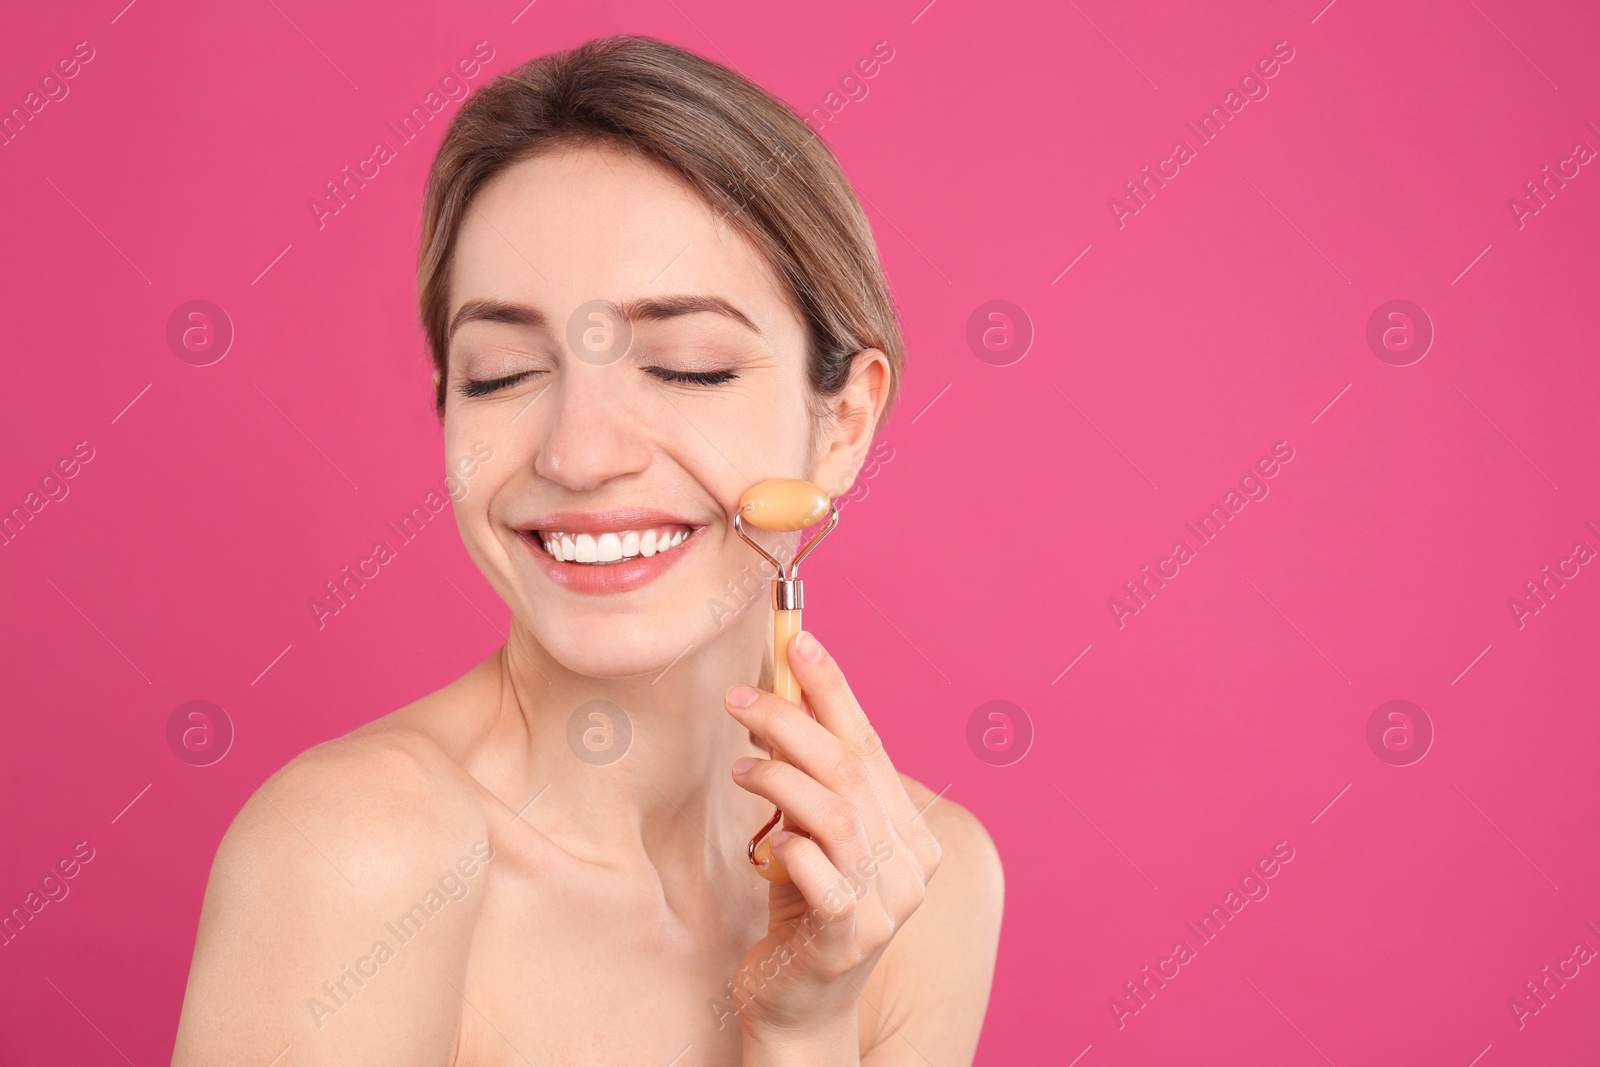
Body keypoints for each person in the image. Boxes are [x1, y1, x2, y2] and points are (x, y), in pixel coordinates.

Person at [172, 34, 1002, 1066]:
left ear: (841, 425)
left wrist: (806, 1029)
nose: (576, 452)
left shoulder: (919, 886)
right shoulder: (359, 852)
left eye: (687, 366)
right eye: (504, 370)